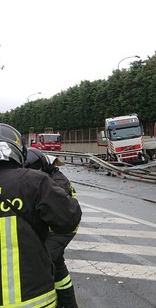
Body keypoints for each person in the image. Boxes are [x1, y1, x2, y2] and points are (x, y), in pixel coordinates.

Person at [0, 123, 82, 308]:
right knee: (57, 265)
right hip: (34, 298)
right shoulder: (35, 181)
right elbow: (68, 219)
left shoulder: (51, 179)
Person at [25, 147, 80, 308]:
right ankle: (69, 303)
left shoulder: (57, 183)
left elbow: (59, 214)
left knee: (44, 261)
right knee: (57, 264)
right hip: (57, 226)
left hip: (62, 229)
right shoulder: (47, 173)